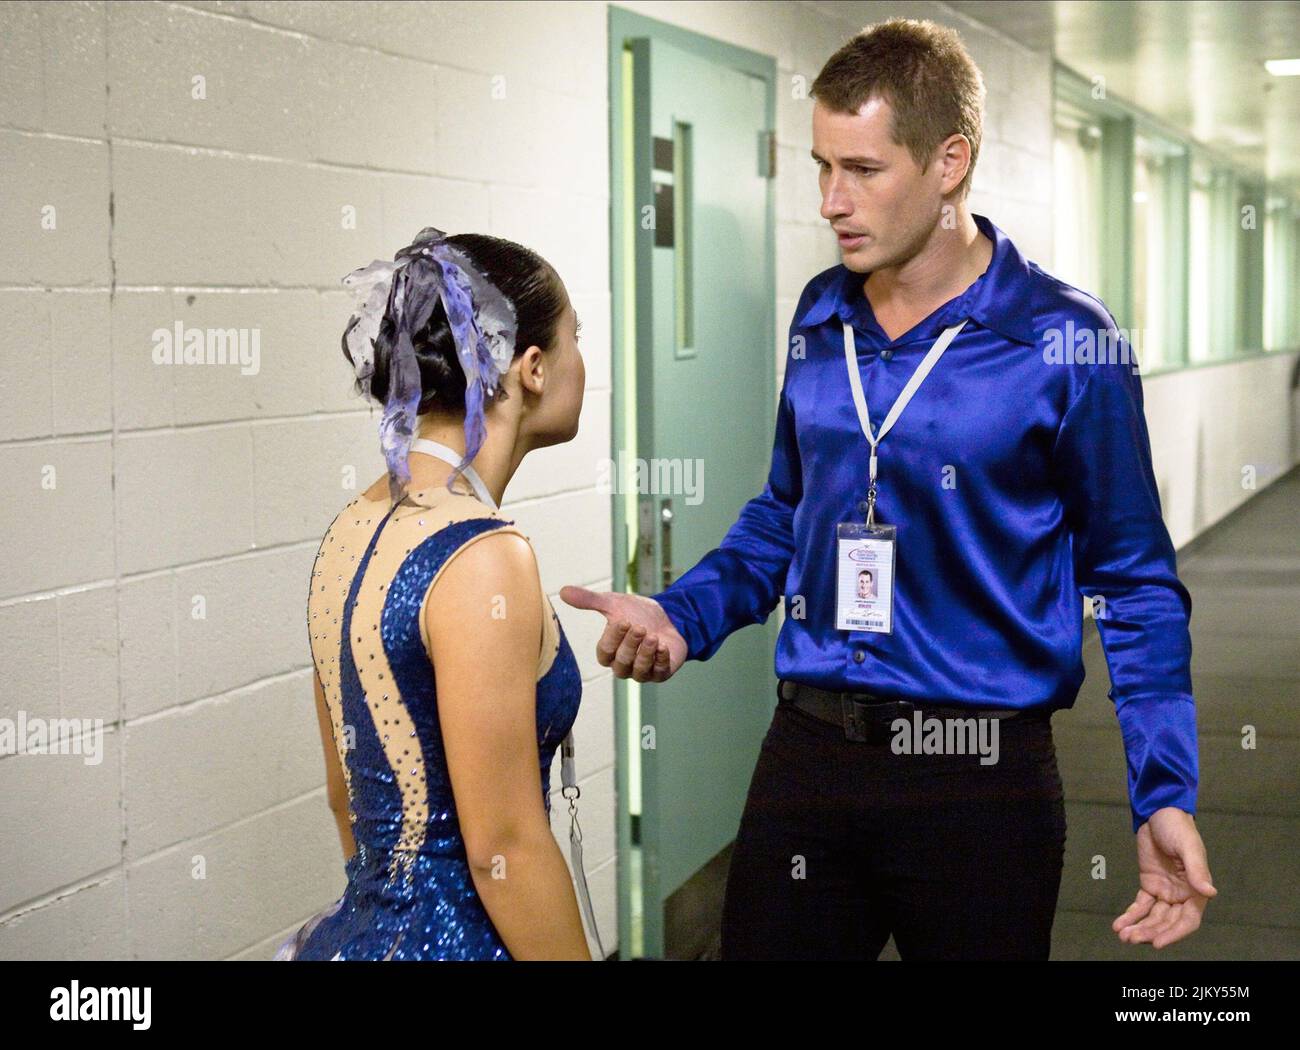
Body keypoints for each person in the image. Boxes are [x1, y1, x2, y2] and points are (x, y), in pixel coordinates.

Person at [561, 18, 1215, 959]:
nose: (832, 200)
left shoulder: (1067, 342)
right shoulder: (820, 315)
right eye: (821, 166)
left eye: (862, 170)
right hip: (811, 758)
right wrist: (684, 615)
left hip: (979, 777)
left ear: (951, 161)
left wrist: (1165, 788)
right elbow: (783, 515)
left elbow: (1136, 582)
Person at [277, 228, 593, 960]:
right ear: (534, 367)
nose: (585, 360)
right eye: (578, 336)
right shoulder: (486, 555)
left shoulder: (350, 527)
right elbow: (502, 850)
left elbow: (345, 795)